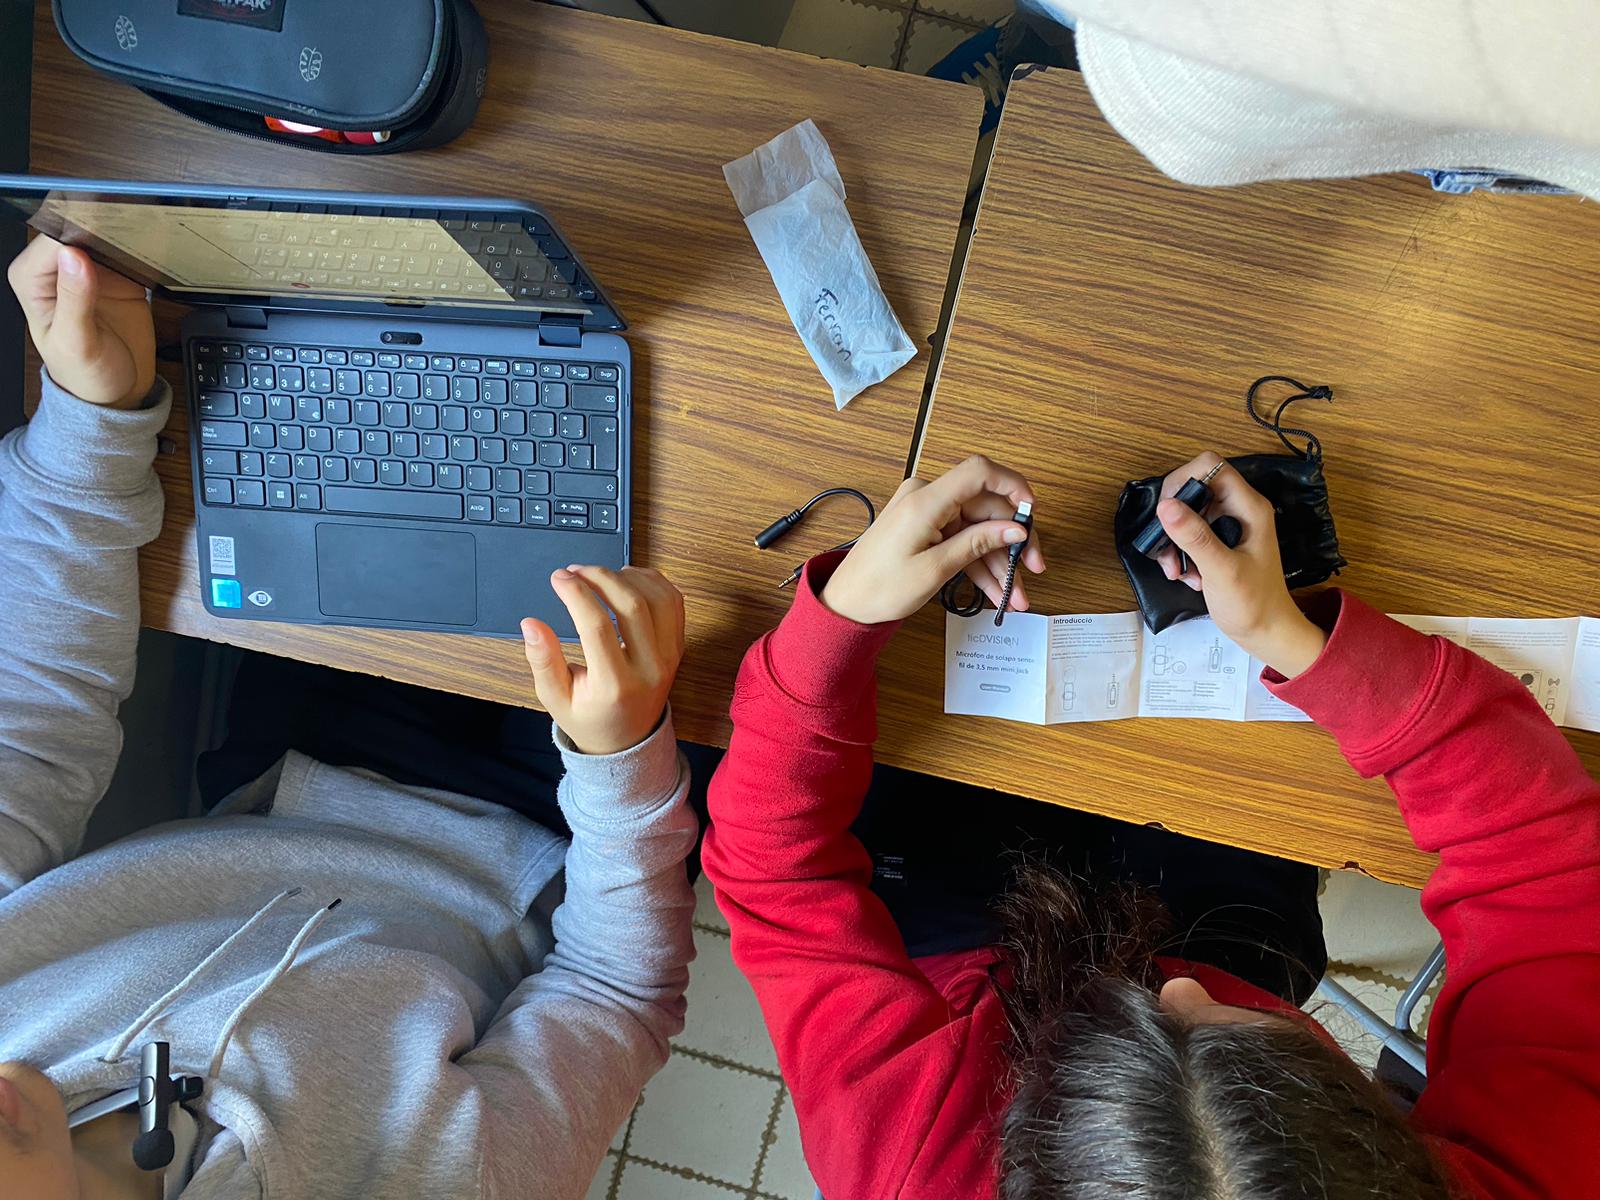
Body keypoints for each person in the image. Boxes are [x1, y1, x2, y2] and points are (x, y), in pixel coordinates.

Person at [0, 235, 698, 1200]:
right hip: (553, 830)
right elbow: (620, 994)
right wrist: (621, 758)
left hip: (296, 758)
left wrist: (90, 420)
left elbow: (27, 729)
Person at [702, 452, 1599, 1199]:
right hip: (1230, 936)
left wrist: (840, 624)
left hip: (971, 975)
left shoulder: (909, 1169)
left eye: (1136, 1027)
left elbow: (775, 871)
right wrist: (1298, 641)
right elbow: (1547, 858)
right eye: (1243, 1031)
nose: (1171, 987)